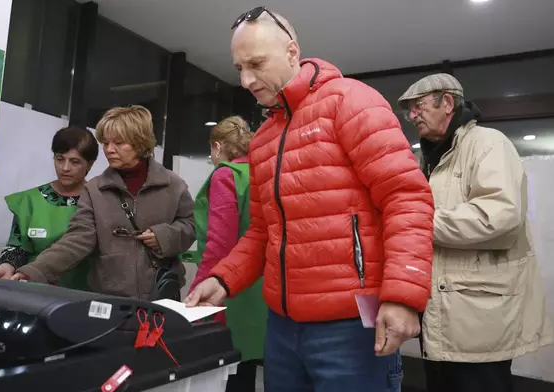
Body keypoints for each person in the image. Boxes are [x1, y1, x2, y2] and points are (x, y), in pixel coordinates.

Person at [186, 7, 435, 392]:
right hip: (283, 329)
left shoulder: (350, 101)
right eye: (239, 68)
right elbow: (262, 232)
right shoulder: (265, 139)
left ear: (291, 52)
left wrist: (403, 297)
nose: (246, 80)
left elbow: (407, 198)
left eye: (255, 63)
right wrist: (223, 278)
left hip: (351, 328)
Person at [398, 73, 554, 392]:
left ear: (448, 103)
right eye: (409, 110)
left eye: (419, 106)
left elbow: (498, 216)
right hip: (439, 316)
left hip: (478, 317)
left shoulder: (488, 143)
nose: (412, 116)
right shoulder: (423, 159)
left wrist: (416, 223)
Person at [6, 106, 195, 300]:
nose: (109, 150)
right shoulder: (95, 190)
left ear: (140, 143)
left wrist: (164, 236)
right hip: (110, 297)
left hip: (162, 294)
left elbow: (191, 226)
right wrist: (33, 271)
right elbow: (77, 239)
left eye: (119, 143)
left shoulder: (173, 185)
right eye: (105, 143)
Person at [189, 116, 267, 392]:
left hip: (229, 291)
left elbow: (218, 246)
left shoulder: (225, 175)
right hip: (263, 289)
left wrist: (198, 290)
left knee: (230, 373)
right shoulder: (261, 174)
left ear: (218, 146)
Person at [0, 126, 98, 290]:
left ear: (89, 164)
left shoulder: (99, 201)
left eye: (75, 162)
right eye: (60, 159)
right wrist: (7, 265)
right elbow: (17, 247)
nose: (65, 168)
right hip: (33, 290)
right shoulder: (29, 201)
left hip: (82, 294)